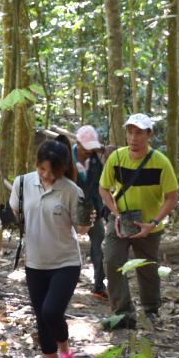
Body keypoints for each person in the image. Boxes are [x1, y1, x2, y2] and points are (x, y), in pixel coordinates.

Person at [10, 136, 94, 358]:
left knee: (51, 312)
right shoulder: (22, 183)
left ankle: (66, 353)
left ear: (61, 169)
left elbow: (81, 230)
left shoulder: (70, 190)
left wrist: (86, 215)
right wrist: (8, 217)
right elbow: (15, 218)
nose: (45, 175)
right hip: (35, 262)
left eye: (51, 171)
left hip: (65, 262)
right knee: (41, 318)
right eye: (41, 168)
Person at [98, 114, 178, 330]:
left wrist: (153, 222)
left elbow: (172, 197)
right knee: (112, 262)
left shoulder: (161, 162)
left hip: (149, 226)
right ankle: (123, 315)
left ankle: (151, 311)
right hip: (120, 222)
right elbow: (103, 188)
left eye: (139, 133)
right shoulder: (116, 157)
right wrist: (115, 213)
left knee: (148, 269)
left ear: (149, 135)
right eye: (130, 132)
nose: (133, 137)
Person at [72, 125, 108, 301]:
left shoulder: (99, 156)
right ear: (77, 143)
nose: (89, 152)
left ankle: (99, 285)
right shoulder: (66, 158)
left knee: (99, 245)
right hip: (69, 207)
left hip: (94, 207)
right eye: (86, 148)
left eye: (92, 148)